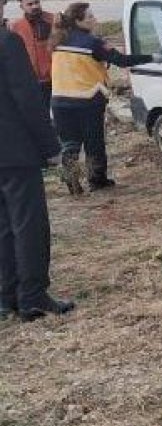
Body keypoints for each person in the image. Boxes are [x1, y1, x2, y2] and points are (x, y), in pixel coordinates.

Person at [1, 17, 76, 321]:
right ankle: (31, 294)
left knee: (3, 227)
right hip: (14, 150)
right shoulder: (7, 42)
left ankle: (6, 296)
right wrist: (51, 146)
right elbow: (27, 99)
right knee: (28, 224)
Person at [49, 3, 158, 195]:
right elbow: (122, 61)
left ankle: (72, 182)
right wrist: (152, 57)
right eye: (90, 17)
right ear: (78, 21)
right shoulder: (93, 42)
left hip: (59, 101)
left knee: (70, 144)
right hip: (87, 100)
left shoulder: (58, 41)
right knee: (93, 142)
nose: (95, 19)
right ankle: (97, 180)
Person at [6, 0, 56, 111]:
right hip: (30, 81)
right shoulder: (15, 27)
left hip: (54, 78)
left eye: (37, 2)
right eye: (30, 4)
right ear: (21, 6)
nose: (35, 6)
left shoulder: (54, 21)